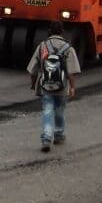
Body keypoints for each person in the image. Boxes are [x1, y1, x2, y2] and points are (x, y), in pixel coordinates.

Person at [27, 20, 80, 153]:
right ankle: (59, 135)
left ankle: (46, 138)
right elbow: (71, 71)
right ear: (62, 31)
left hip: (46, 86)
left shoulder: (42, 46)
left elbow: (33, 69)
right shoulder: (68, 48)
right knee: (59, 111)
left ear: (49, 31)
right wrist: (73, 87)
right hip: (62, 87)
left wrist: (33, 84)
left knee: (47, 111)